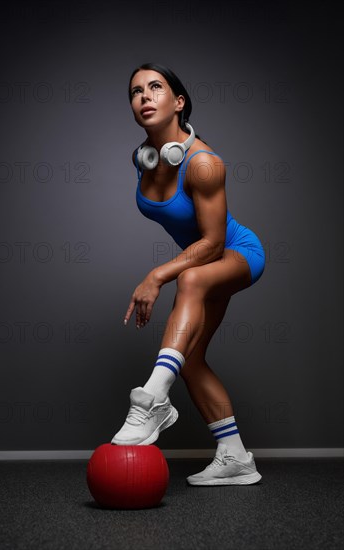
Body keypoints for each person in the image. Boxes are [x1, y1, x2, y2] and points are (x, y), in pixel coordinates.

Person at [111, 63, 265, 486]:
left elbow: (214, 243)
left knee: (190, 280)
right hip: (201, 261)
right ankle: (235, 457)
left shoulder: (203, 164)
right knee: (192, 359)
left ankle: (151, 399)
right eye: (136, 91)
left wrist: (157, 275)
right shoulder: (143, 159)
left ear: (178, 103)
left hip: (237, 252)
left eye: (156, 87)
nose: (144, 96)